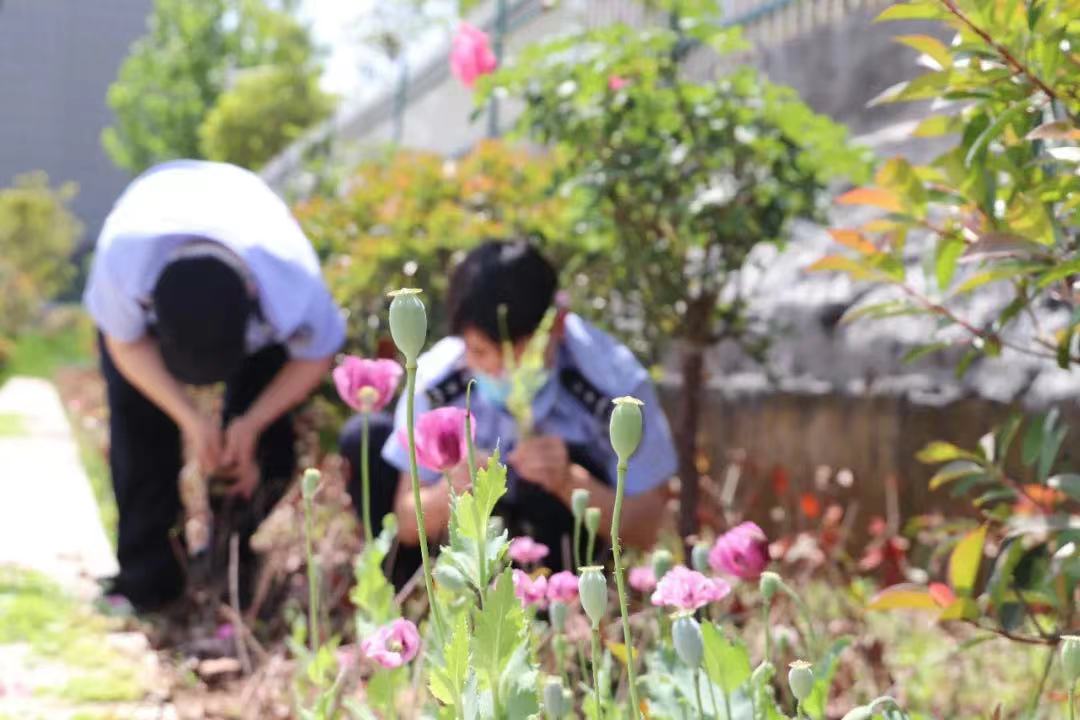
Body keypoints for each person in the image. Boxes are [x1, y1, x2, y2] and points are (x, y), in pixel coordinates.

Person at [84, 160, 345, 612]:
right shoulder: (123, 265)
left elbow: (316, 353)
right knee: (140, 435)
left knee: (264, 447)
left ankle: (235, 564)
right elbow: (124, 347)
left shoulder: (288, 278)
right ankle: (150, 579)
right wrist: (189, 419)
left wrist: (251, 423)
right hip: (150, 266)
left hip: (253, 274)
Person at [339, 240, 676, 585]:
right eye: (482, 352)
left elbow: (648, 527)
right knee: (365, 438)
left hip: (564, 563)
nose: (500, 370)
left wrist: (569, 481)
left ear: (556, 325)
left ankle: (558, 603)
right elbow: (407, 520)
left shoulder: (615, 387)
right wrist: (451, 490)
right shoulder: (435, 384)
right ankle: (411, 599)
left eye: (518, 355)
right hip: (459, 562)